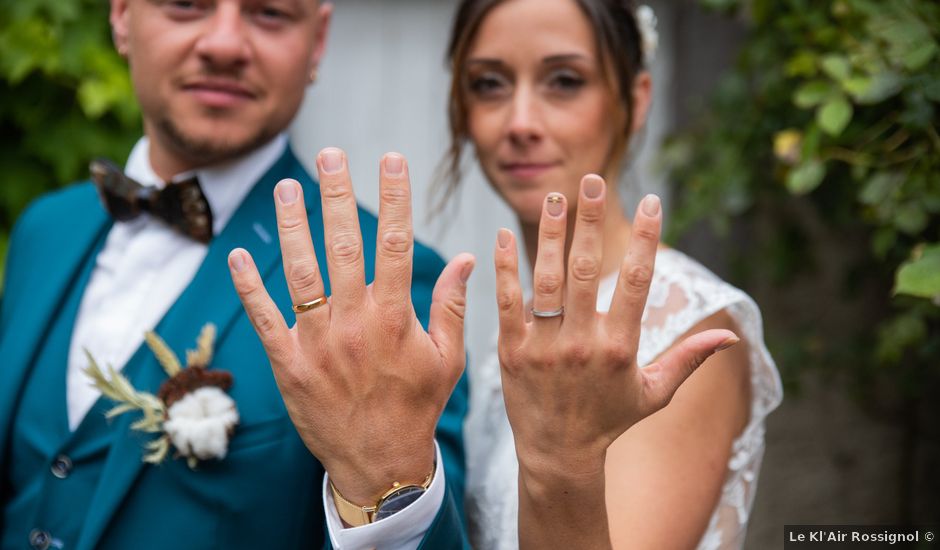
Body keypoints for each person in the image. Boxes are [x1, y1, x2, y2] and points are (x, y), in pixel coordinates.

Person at [0, 1, 470, 548]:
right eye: (186, 5)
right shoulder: (45, 230)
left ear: (317, 41)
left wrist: (383, 479)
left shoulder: (383, 285)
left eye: (268, 12)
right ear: (122, 16)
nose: (224, 44)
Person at [434, 0, 784, 548]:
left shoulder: (687, 326)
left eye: (565, 80)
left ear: (636, 98)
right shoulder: (520, 333)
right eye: (489, 84)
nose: (520, 122)